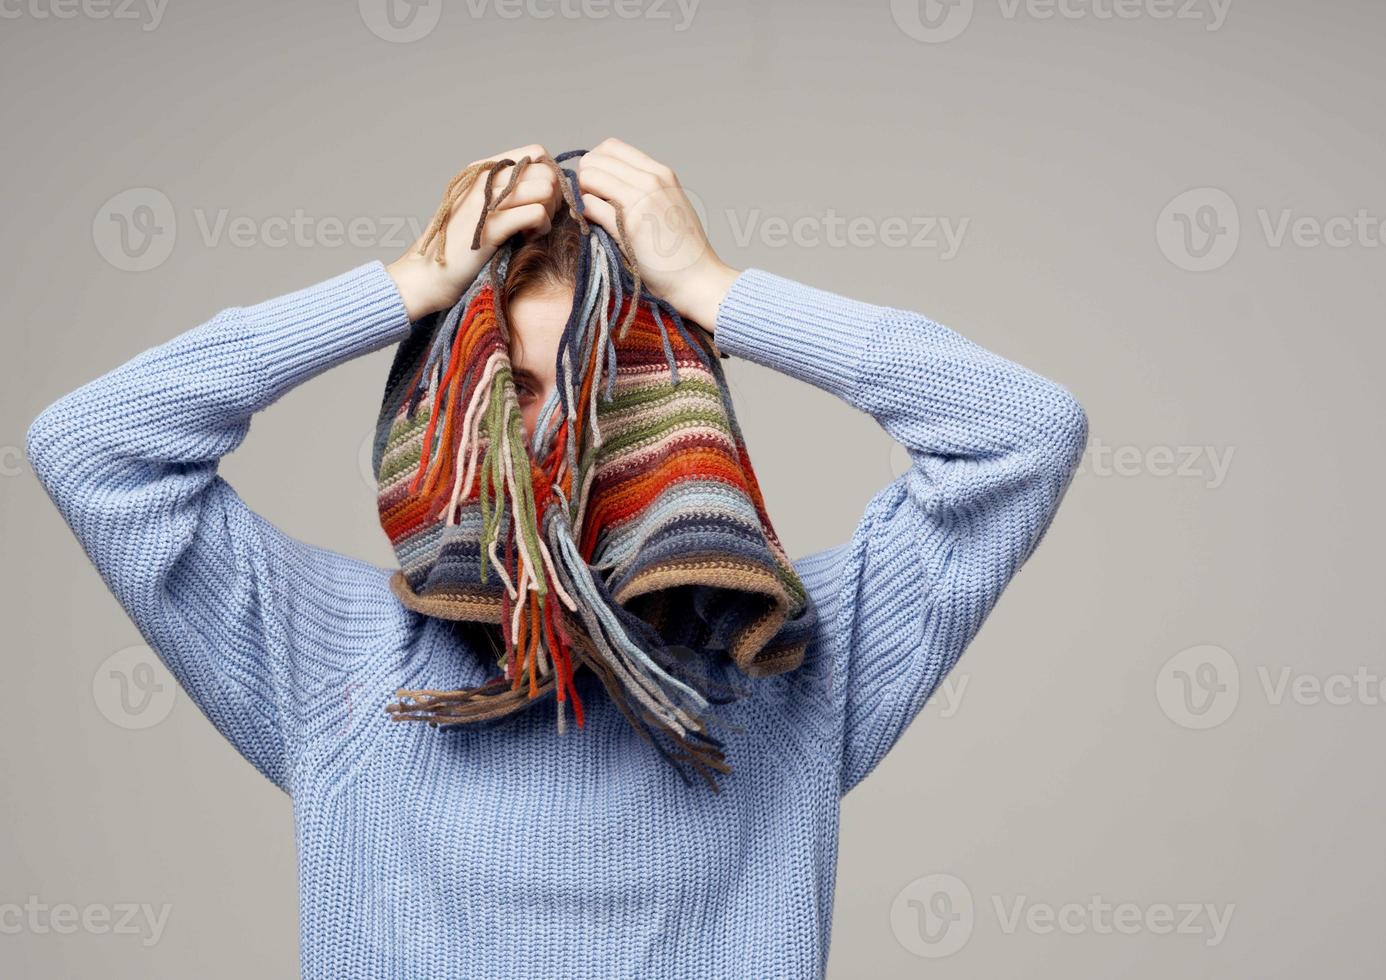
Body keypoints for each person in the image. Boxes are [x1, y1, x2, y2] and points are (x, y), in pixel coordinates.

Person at [27, 138, 1089, 978]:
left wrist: (717, 290)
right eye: (520, 388)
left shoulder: (785, 663)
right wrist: (407, 284)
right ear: (448, 404)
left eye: (611, 379)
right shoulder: (334, 656)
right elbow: (95, 447)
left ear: (682, 407)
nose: (558, 433)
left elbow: (1023, 433)